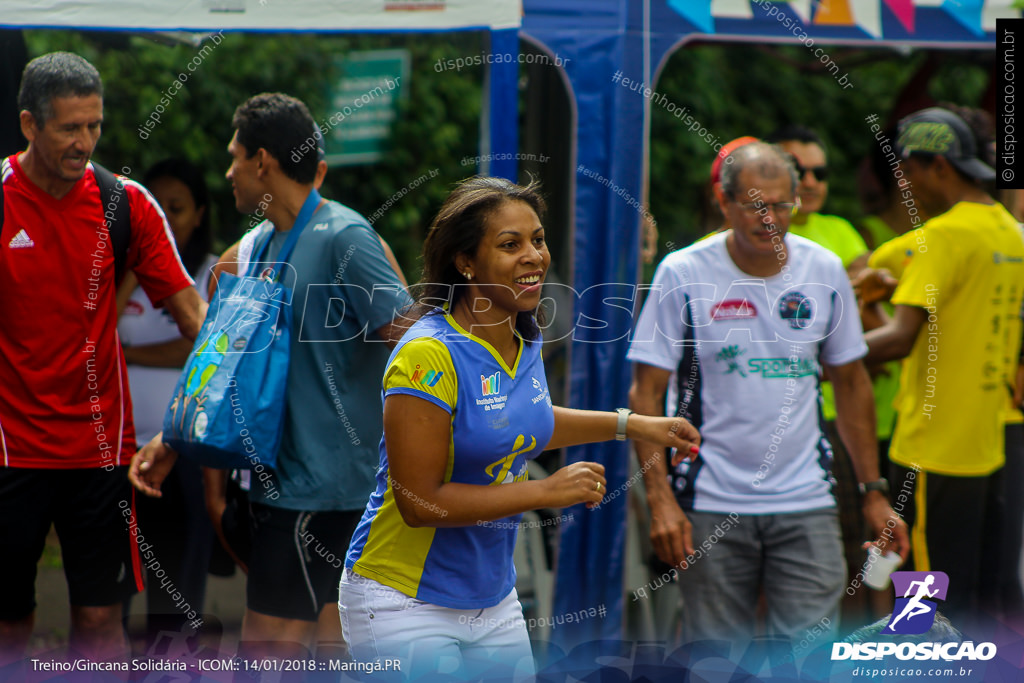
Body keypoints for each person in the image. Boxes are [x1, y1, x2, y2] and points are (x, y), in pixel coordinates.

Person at [339, 176, 702, 680]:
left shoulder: (520, 332)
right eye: (510, 245)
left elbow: (521, 425)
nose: (533, 255)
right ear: (465, 262)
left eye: (537, 239)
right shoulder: (427, 354)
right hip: (404, 599)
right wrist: (543, 491)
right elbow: (418, 503)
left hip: (492, 597)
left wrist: (637, 425)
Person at [130, 93, 412, 659]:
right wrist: (173, 439)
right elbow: (222, 361)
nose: (227, 172)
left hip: (330, 494)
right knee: (321, 651)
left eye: (234, 158)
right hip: (276, 485)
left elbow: (416, 349)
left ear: (263, 161)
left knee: (271, 651)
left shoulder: (345, 238)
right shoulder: (254, 248)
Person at [627, 142, 908, 646]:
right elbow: (646, 393)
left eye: (781, 204)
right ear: (724, 201)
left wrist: (874, 492)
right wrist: (661, 499)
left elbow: (851, 382)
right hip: (709, 501)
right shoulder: (683, 273)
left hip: (807, 501)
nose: (769, 217)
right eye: (755, 204)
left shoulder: (823, 270)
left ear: (798, 201)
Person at [0, 52, 204, 666]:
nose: (84, 142)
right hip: (9, 450)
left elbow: (196, 319)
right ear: (30, 124)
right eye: (69, 128)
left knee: (98, 617)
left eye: (94, 126)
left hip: (100, 453)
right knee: (9, 619)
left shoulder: (126, 204)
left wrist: (199, 416)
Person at [863, 107, 1024, 628]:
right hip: (984, 449)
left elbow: (899, 338)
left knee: (921, 610)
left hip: (929, 453)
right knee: (970, 599)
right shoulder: (1008, 232)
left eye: (908, 173)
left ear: (939, 167)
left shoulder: (943, 237)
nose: (905, 187)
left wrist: (817, 354)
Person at [116, 158, 219, 643]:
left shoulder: (211, 273)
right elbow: (98, 332)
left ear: (199, 213)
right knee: (108, 594)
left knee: (173, 599)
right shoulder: (120, 274)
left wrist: (129, 351)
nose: (163, 219)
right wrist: (137, 268)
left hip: (179, 453)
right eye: (152, 209)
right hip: (115, 452)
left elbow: (199, 344)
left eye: (174, 209)